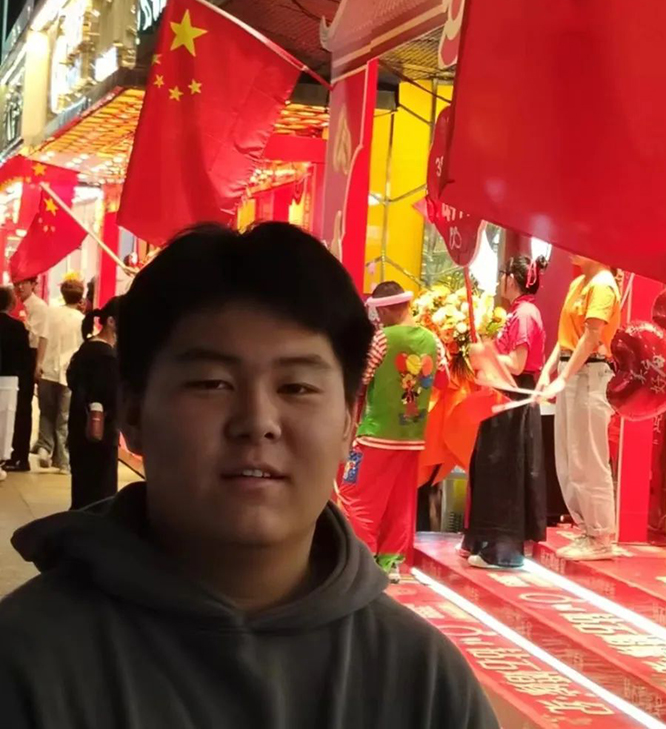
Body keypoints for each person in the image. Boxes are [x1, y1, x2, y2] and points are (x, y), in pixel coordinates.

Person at [0, 223, 497, 729]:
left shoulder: (425, 685)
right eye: (212, 383)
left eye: (297, 387)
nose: (258, 421)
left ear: (350, 421)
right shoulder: (24, 666)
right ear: (132, 413)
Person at [339, 281, 448, 581]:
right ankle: (391, 562)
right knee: (400, 501)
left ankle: (362, 559)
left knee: (356, 496)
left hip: (375, 434)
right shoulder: (434, 341)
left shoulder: (382, 339)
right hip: (412, 437)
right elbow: (444, 380)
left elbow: (360, 380)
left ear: (385, 310)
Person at [463, 255, 550, 570]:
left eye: (503, 275)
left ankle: (502, 552)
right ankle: (488, 543)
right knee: (492, 468)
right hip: (503, 394)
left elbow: (517, 363)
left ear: (511, 280)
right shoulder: (519, 311)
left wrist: (485, 354)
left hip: (513, 398)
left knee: (504, 471)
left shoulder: (524, 314)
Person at [536, 255, 622, 562]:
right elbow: (566, 338)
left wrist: (563, 377)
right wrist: (549, 371)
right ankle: (588, 530)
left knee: (589, 458)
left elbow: (591, 337)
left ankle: (600, 535)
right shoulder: (579, 283)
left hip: (590, 374)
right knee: (570, 457)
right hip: (573, 370)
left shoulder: (602, 285)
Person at [67, 297, 121, 510]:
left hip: (80, 428)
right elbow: (110, 394)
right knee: (100, 494)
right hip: (100, 434)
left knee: (82, 489)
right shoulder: (105, 356)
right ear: (111, 322)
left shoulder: (87, 348)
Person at [33, 275, 85, 473]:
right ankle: (62, 460)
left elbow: (43, 339)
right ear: (80, 297)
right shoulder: (81, 320)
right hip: (68, 375)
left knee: (46, 412)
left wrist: (38, 364)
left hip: (48, 370)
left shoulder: (51, 313)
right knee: (64, 418)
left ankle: (44, 448)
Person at [2, 277, 49, 472]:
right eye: (16, 284)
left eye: (24, 283)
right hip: (13, 359)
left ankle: (20, 456)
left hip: (26, 359)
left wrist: (38, 364)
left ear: (33, 284)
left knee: (21, 409)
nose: (19, 287)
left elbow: (41, 338)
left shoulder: (39, 307)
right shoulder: (15, 307)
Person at [0, 287, 33, 481]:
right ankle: (3, 458)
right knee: (6, 419)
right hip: (10, 379)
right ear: (11, 304)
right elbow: (24, 358)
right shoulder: (17, 327)